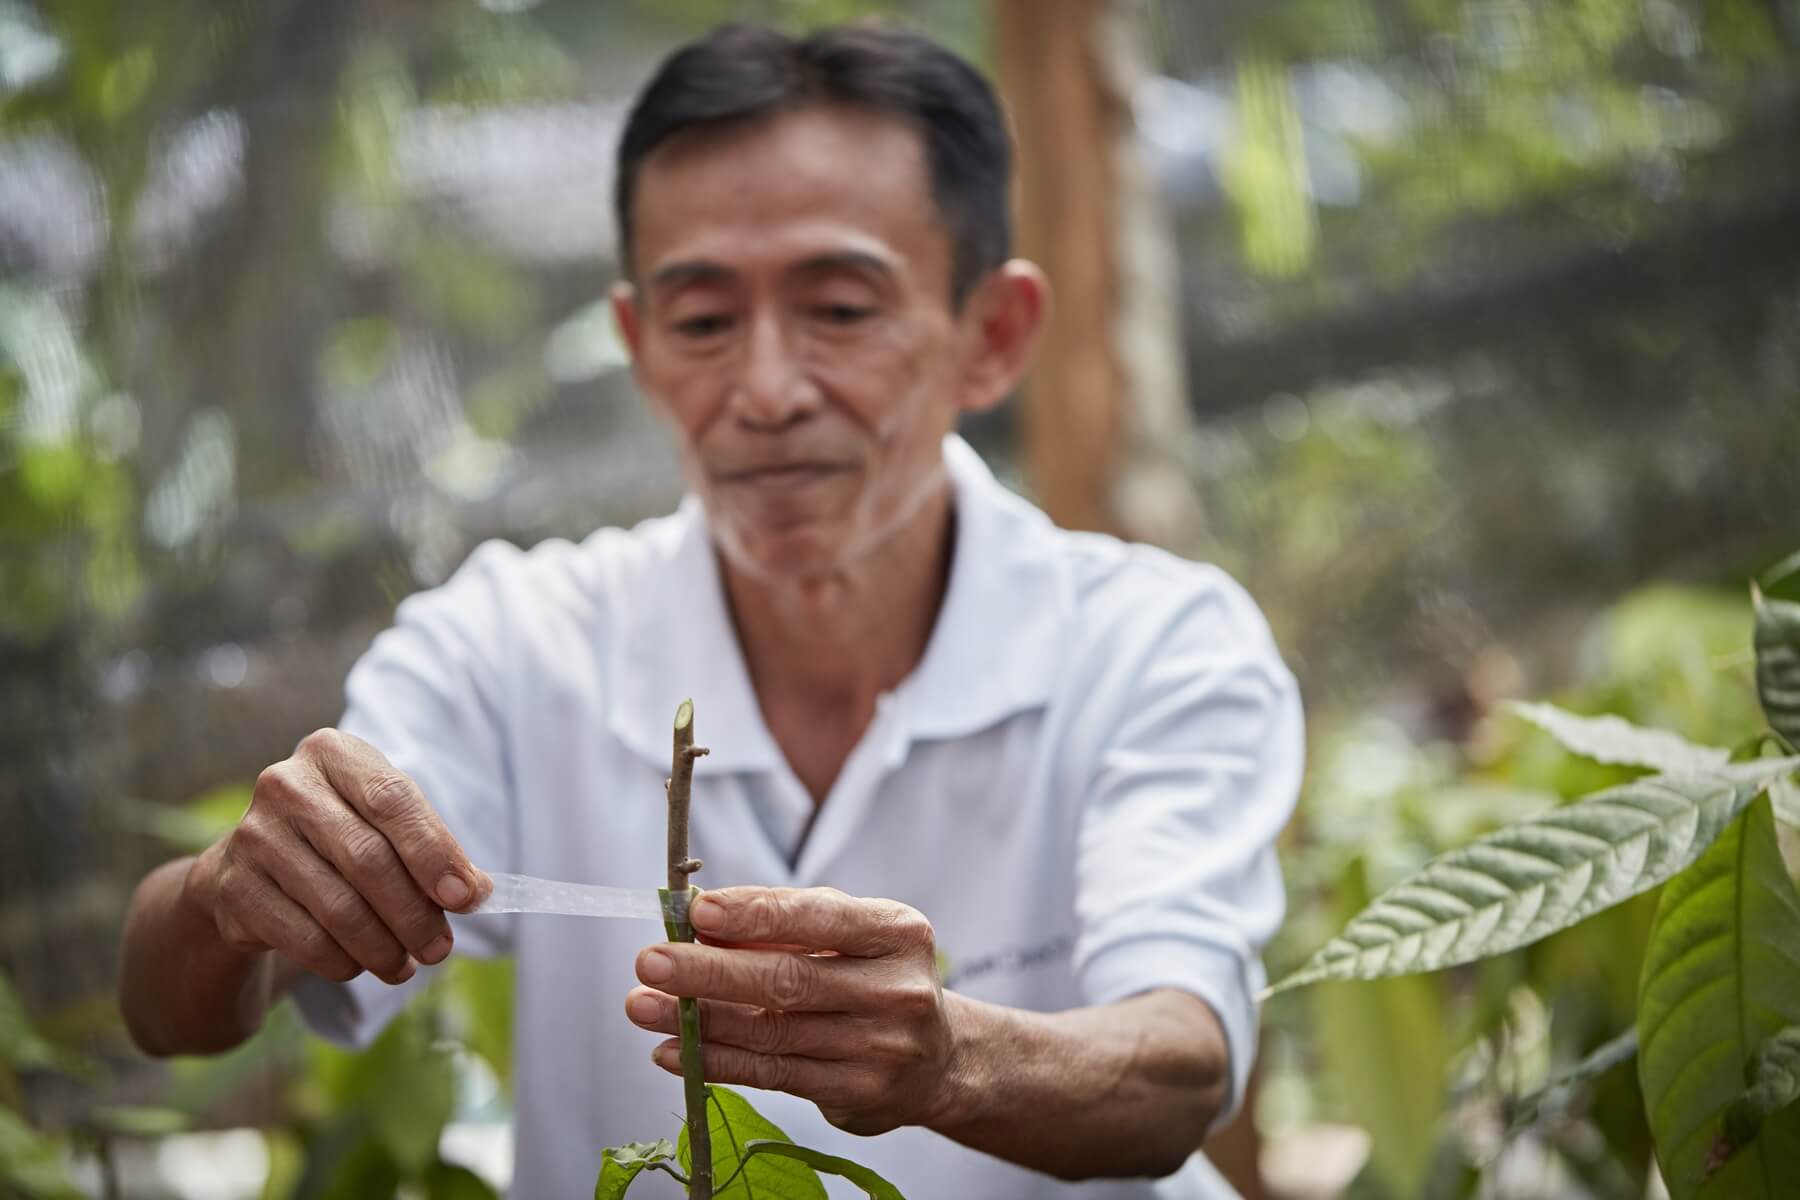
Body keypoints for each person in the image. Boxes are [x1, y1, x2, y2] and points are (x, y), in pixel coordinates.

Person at [119, 22, 1301, 1199]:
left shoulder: (1154, 645)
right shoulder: (510, 649)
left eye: (840, 310)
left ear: (990, 337)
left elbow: (1181, 1068)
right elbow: (173, 1009)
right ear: (638, 344)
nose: (768, 391)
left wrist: (954, 1061)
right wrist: (230, 898)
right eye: (702, 322)